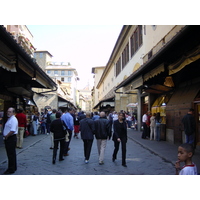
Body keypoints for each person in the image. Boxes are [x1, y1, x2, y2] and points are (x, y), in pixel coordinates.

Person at [3, 107, 18, 174]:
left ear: (13, 112)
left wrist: (7, 136)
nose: (8, 113)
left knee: (11, 154)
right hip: (9, 138)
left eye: (9, 111)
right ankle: (13, 167)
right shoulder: (10, 119)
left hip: (10, 138)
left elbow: (13, 130)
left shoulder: (13, 120)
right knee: (11, 154)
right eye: (8, 111)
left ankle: (11, 169)